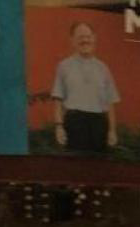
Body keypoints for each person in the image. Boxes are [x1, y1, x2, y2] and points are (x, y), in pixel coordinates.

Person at [52, 22, 120, 153]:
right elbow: (58, 100)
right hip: (74, 123)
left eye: (88, 36)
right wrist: (59, 127)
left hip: (99, 124)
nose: (85, 40)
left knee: (98, 168)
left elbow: (110, 102)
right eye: (80, 37)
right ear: (72, 40)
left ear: (94, 38)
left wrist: (112, 130)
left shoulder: (103, 68)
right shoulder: (63, 66)